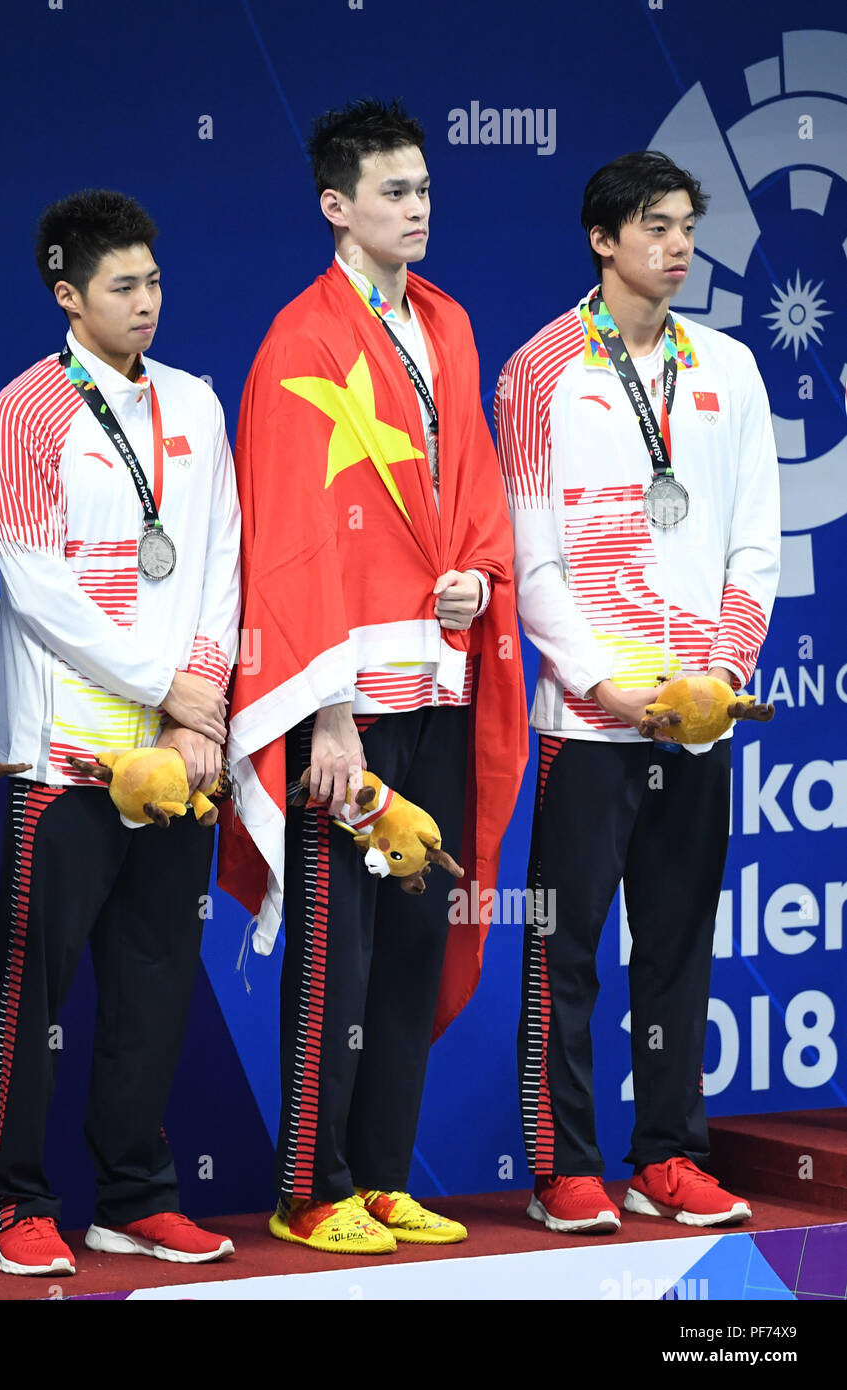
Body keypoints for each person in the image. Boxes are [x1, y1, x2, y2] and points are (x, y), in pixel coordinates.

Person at [219, 99, 527, 1254]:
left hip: (441, 687)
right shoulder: (300, 342)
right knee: (336, 954)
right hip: (346, 706)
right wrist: (327, 716)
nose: (418, 209)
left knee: (408, 945)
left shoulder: (447, 325)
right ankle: (310, 1185)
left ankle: (384, 1178)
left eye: (427, 191)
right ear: (336, 206)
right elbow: (291, 540)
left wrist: (481, 586)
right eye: (395, 192)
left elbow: (479, 493)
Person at [495, 150, 780, 1234]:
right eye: (655, 225)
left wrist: (720, 678)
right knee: (565, 953)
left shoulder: (732, 369)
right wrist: (608, 686)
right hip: (591, 722)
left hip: (697, 718)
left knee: (676, 946)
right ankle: (566, 1167)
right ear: (602, 239)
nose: (678, 243)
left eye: (686, 224)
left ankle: (667, 1155)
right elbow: (535, 563)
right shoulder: (538, 373)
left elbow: (757, 545)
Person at [0, 189, 241, 1276]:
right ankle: (15, 1199)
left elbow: (219, 560)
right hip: (67, 762)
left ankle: (134, 1193)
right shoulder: (24, 415)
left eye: (155, 282)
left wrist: (201, 700)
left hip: (177, 760)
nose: (146, 303)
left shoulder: (197, 405)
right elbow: (39, 593)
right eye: (123, 287)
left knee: (157, 976)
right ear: (68, 294)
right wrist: (169, 688)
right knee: (32, 989)